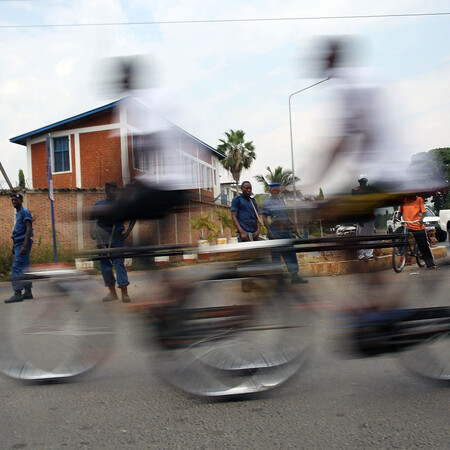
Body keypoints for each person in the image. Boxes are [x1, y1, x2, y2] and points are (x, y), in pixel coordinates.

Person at [90, 182, 135, 302]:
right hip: (102, 240)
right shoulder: (99, 204)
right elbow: (92, 218)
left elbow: (133, 217)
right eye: (112, 191)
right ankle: (112, 293)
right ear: (106, 191)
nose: (115, 193)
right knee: (105, 267)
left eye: (116, 190)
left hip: (116, 239)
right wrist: (92, 232)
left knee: (119, 264)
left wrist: (126, 233)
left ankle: (124, 293)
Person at [262, 183, 307, 284]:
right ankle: (279, 280)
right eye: (274, 190)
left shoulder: (282, 201)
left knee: (290, 253)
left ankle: (294, 277)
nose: (276, 192)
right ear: (270, 191)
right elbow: (264, 218)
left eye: (278, 190)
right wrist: (270, 232)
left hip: (286, 232)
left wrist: (293, 224)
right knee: (276, 257)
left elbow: (286, 215)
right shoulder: (267, 203)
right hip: (275, 232)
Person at [5, 193, 34, 303]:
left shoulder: (24, 212)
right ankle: (28, 292)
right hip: (18, 244)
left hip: (22, 244)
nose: (13, 202)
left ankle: (17, 293)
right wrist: (14, 247)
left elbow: (28, 229)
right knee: (25, 268)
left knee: (16, 268)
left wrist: (24, 246)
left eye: (16, 200)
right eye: (12, 200)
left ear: (21, 200)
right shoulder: (18, 213)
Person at [399, 194, 437, 269]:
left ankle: (430, 263)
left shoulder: (419, 199)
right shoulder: (403, 200)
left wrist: (421, 219)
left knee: (423, 245)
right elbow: (400, 212)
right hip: (406, 225)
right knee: (397, 236)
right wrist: (397, 219)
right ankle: (402, 253)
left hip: (417, 225)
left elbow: (424, 212)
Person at [351, 174, 377, 262]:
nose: (364, 182)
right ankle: (361, 255)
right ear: (359, 182)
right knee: (361, 236)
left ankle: (369, 254)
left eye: (365, 181)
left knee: (370, 236)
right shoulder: (355, 191)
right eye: (362, 181)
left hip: (370, 216)